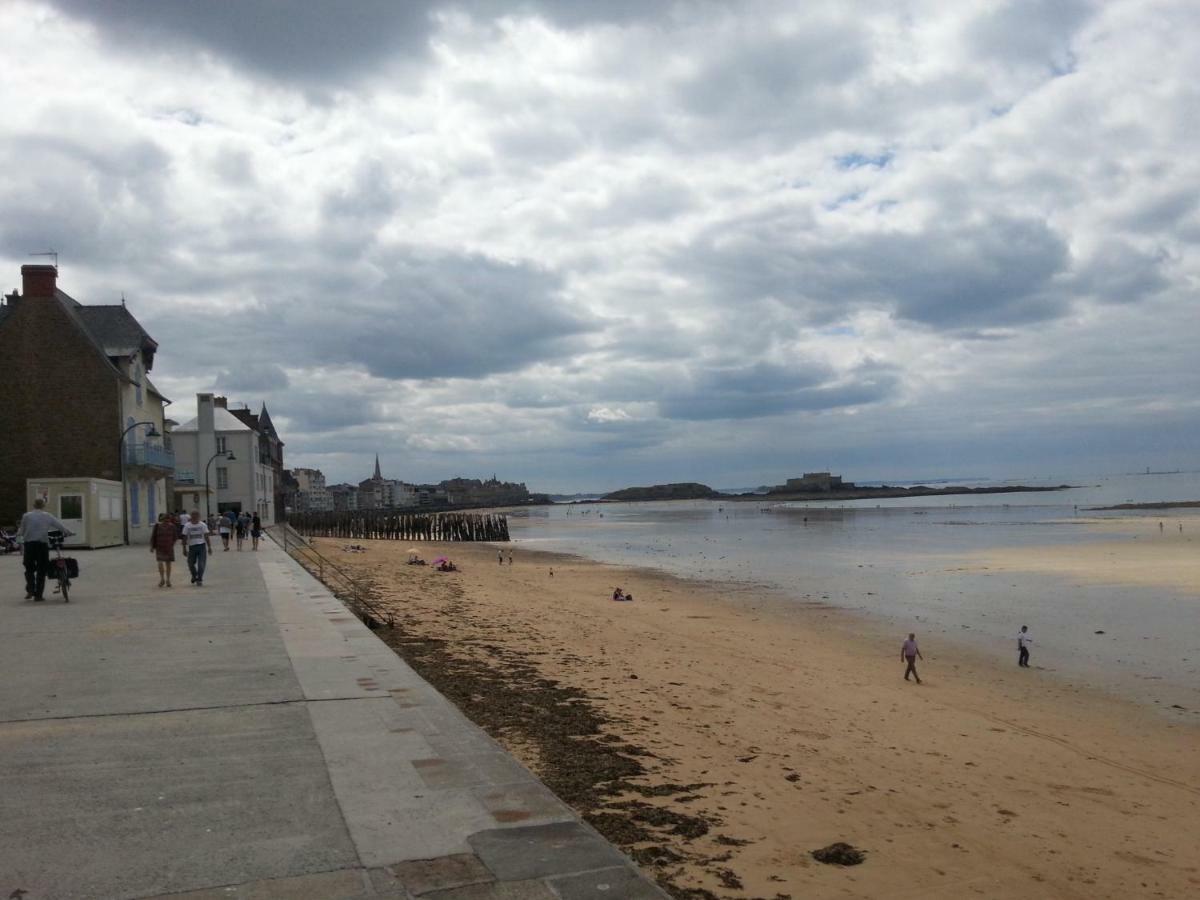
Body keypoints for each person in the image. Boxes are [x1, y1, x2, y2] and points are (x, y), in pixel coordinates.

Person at [16, 498, 71, 602]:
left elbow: (21, 530)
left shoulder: (26, 516)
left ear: (34, 505)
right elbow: (59, 525)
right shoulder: (47, 516)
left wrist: (18, 536)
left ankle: (31, 589)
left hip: (29, 545)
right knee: (42, 570)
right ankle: (39, 596)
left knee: (29, 568)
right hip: (42, 545)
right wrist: (68, 532)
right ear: (43, 506)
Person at [182, 509, 212, 586]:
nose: (195, 517)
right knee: (190, 563)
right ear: (191, 516)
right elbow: (184, 537)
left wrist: (209, 547)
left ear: (199, 516)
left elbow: (206, 536)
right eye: (193, 515)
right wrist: (184, 548)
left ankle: (199, 578)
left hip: (201, 546)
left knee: (201, 564)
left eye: (196, 515)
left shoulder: (202, 525)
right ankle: (194, 575)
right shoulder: (187, 525)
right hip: (192, 547)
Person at [150, 512, 177, 587]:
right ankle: (162, 579)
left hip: (169, 548)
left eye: (168, 520)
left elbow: (175, 537)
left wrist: (172, 544)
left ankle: (168, 580)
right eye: (165, 520)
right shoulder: (157, 526)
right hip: (159, 547)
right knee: (160, 562)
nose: (166, 521)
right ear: (162, 519)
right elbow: (153, 536)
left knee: (168, 564)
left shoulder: (173, 527)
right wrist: (152, 546)